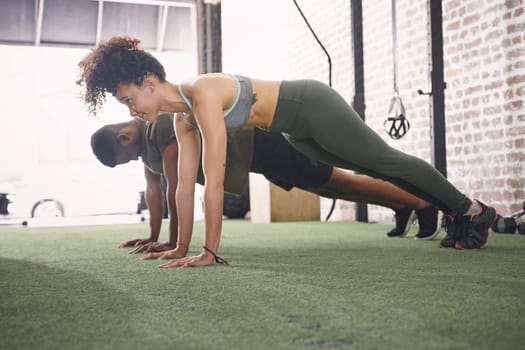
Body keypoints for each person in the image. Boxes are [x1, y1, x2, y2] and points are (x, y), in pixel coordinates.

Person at [77, 36, 497, 267]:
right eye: (125, 107)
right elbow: (184, 187)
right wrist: (179, 247)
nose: (132, 111)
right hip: (294, 131)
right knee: (365, 167)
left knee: (383, 161)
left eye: (129, 99)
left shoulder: (200, 91)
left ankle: (471, 210)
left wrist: (209, 252)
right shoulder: (183, 119)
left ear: (149, 82)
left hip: (309, 105)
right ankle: (456, 212)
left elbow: (216, 179)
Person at [90, 113, 441, 256]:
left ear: (124, 136)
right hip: (254, 158)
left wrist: (174, 243)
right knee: (329, 186)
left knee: (335, 182)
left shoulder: (160, 129)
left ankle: (420, 203)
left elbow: (176, 188)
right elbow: (153, 191)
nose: (136, 161)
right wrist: (153, 237)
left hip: (263, 143)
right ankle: (402, 205)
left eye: (129, 156)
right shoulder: (144, 148)